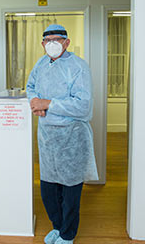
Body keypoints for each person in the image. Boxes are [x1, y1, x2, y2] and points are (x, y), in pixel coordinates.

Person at [26, 24, 99, 244]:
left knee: (70, 191)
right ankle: (57, 227)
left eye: (57, 40)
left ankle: (68, 234)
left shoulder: (78, 67)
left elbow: (83, 106)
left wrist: (47, 103)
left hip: (71, 138)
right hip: (47, 137)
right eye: (48, 41)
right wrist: (34, 103)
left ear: (66, 43)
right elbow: (30, 86)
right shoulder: (41, 64)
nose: (52, 44)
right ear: (42, 44)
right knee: (49, 189)